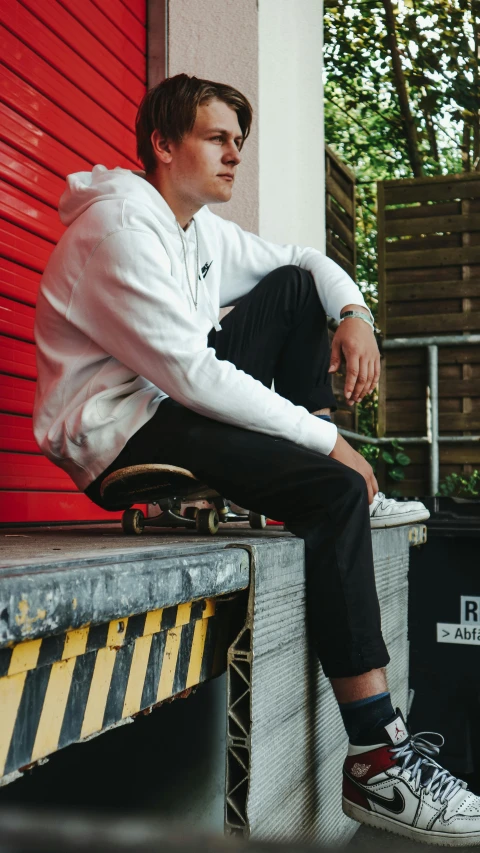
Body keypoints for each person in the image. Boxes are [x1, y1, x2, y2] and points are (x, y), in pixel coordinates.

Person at [33, 74, 480, 845]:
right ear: (163, 145)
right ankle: (379, 761)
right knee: (331, 488)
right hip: (117, 434)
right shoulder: (119, 229)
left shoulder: (196, 230)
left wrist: (355, 313)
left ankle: (337, 482)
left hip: (165, 402)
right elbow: (193, 374)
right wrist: (325, 442)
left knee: (299, 286)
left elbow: (306, 259)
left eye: (241, 142)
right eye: (216, 138)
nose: (234, 155)